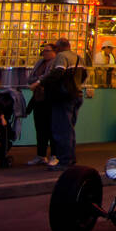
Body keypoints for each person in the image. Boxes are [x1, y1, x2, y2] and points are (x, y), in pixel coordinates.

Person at [44, 38, 82, 170]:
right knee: (69, 128)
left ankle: (65, 160)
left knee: (61, 129)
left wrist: (43, 81)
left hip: (63, 97)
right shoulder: (78, 57)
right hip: (76, 94)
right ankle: (71, 157)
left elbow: (58, 71)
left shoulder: (61, 56)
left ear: (59, 47)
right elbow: (85, 74)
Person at [26, 43, 57, 165]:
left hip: (49, 99)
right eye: (43, 51)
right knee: (40, 128)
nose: (44, 53)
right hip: (38, 98)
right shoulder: (40, 63)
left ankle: (54, 154)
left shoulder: (55, 63)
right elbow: (31, 78)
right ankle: (41, 154)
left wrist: (39, 81)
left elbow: (48, 77)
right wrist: (39, 80)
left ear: (54, 52)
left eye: (47, 51)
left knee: (50, 128)